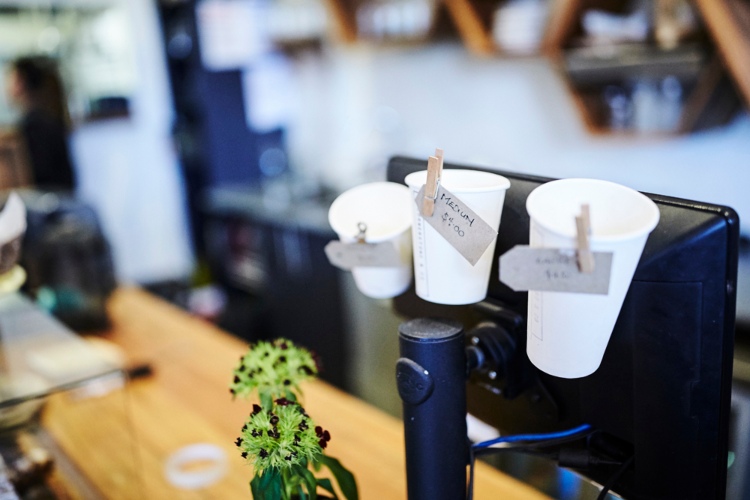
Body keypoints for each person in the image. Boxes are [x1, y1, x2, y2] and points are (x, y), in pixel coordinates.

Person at [5, 55, 76, 191]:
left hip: (48, 205)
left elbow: (34, 184)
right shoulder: (48, 119)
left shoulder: (33, 127)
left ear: (20, 82)